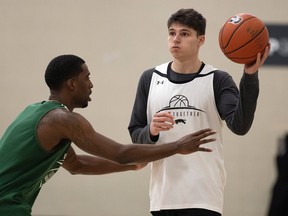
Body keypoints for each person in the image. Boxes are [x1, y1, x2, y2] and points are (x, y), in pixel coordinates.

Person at [0, 54, 217, 216]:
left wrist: (132, 166)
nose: (91, 84)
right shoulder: (62, 120)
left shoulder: (40, 113)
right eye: (87, 77)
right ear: (72, 84)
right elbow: (120, 152)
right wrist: (177, 146)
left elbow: (77, 165)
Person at [128, 8, 270, 216]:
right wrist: (151, 131)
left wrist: (250, 76)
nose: (176, 39)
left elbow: (240, 126)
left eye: (184, 34)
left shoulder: (218, 79)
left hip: (204, 197)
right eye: (171, 33)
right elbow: (135, 136)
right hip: (162, 198)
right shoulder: (149, 78)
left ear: (201, 40)